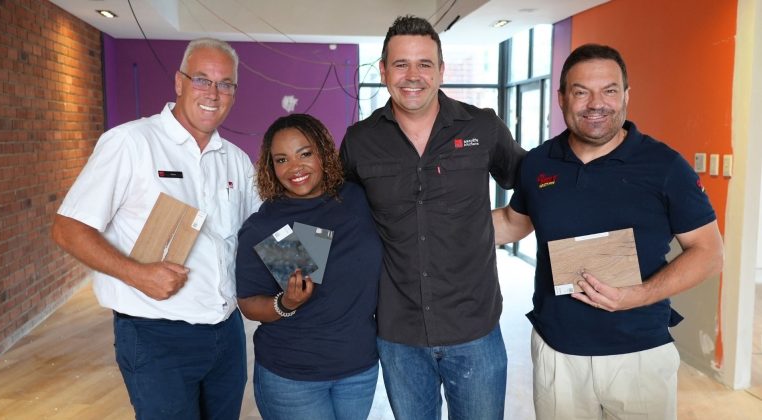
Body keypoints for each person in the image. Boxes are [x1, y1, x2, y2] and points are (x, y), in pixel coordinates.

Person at [492, 43, 724, 419]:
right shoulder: (538, 163)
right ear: (563, 97)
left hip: (639, 354)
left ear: (626, 96)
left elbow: (709, 252)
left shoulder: (664, 166)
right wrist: (430, 224)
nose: (595, 103)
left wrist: (639, 295)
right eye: (582, 91)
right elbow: (513, 223)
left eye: (609, 91)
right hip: (558, 351)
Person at [51, 38, 261, 419]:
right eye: (202, 79)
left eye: (225, 84)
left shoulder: (237, 161)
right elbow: (67, 228)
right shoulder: (130, 143)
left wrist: (308, 269)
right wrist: (137, 274)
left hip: (227, 333)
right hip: (155, 337)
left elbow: (262, 231)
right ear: (179, 83)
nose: (213, 93)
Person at [339, 15, 525, 420]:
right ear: (384, 70)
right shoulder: (360, 141)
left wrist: (513, 220)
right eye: (401, 64)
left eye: (425, 64)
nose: (413, 75)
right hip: (398, 334)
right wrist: (290, 271)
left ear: (441, 70)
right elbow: (334, 216)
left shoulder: (482, 126)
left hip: (475, 328)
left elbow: (533, 181)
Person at [235, 114, 382, 420]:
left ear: (323, 152)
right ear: (270, 167)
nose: (295, 167)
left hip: (359, 369)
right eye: (281, 159)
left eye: (305, 153)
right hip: (293, 376)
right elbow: (249, 304)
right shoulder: (266, 225)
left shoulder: (357, 199)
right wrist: (285, 303)